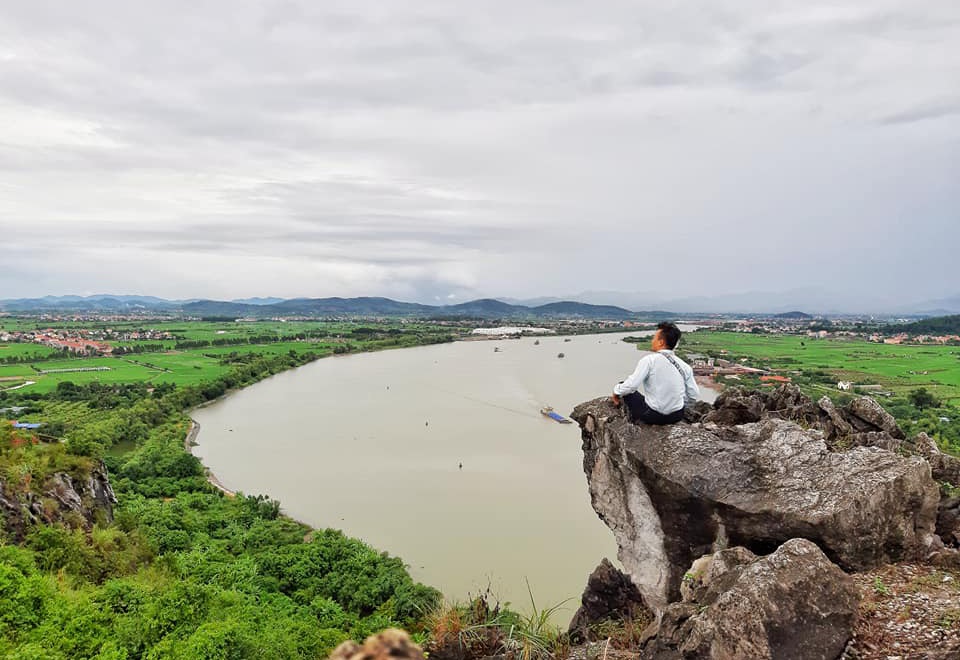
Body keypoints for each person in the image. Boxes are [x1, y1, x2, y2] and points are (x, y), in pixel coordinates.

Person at [611, 321, 699, 424]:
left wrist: (615, 391)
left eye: (654, 338)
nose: (652, 340)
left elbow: (631, 386)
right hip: (676, 416)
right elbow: (693, 395)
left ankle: (634, 422)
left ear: (661, 342)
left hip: (653, 416)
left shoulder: (649, 360)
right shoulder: (685, 366)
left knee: (623, 385)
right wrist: (679, 405)